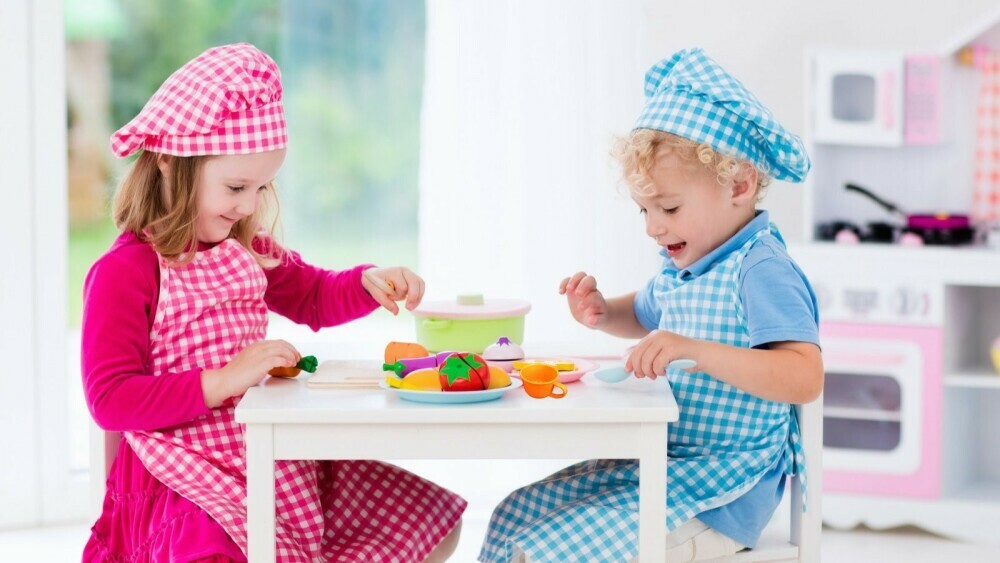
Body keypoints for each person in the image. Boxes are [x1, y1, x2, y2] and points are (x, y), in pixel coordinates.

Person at [82, 43, 465, 562]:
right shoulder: (125, 272)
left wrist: (367, 282)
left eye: (262, 187)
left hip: (266, 452)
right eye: (236, 186)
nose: (248, 205)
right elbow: (111, 399)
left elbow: (312, 295)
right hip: (180, 472)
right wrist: (225, 380)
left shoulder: (248, 248)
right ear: (170, 161)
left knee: (429, 525)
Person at [479, 47, 824, 562]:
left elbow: (803, 376)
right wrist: (601, 310)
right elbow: (643, 314)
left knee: (552, 553)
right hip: (663, 462)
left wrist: (695, 349)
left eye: (668, 207)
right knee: (514, 517)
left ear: (738, 184)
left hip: (722, 489)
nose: (653, 227)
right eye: (644, 209)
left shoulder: (759, 269)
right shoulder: (688, 266)